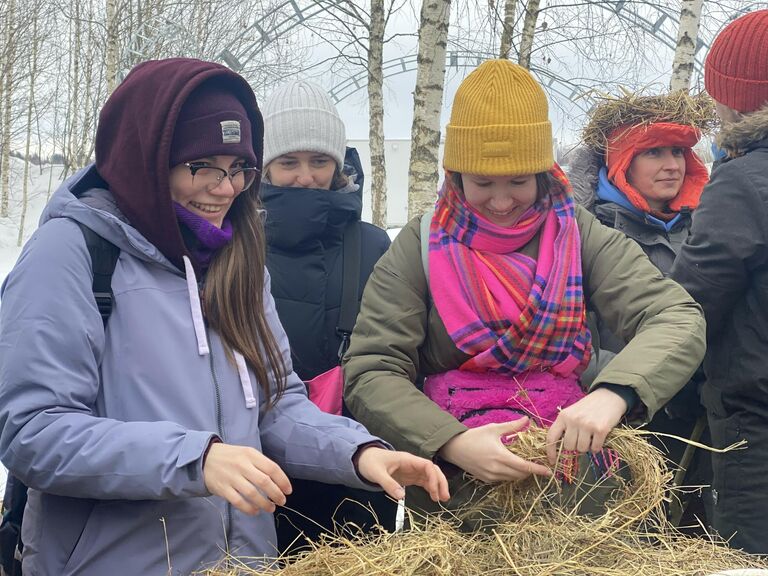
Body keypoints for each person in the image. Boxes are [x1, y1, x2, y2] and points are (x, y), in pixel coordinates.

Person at [0, 58, 449, 576]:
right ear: (146, 160)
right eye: (203, 166)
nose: (227, 188)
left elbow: (276, 405)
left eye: (238, 167)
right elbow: (34, 432)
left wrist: (357, 453)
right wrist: (197, 459)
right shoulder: (72, 253)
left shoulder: (237, 260)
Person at [343, 59, 706, 525]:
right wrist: (451, 442)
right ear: (455, 176)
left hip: (578, 486)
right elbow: (372, 369)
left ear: (543, 172)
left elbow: (676, 316)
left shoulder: (578, 234)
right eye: (481, 182)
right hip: (457, 492)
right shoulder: (419, 246)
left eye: (518, 181)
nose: (500, 202)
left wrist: (613, 393)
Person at [258, 80, 395, 551]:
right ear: (264, 165)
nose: (305, 177)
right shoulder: (234, 246)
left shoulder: (373, 245)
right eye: (288, 162)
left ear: (339, 165)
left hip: (354, 470)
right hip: (256, 470)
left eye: (319, 162)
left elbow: (395, 354)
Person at [569, 93, 712, 529]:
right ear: (621, 161)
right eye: (653, 151)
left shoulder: (708, 228)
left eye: (677, 151)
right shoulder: (585, 233)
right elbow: (570, 336)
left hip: (701, 425)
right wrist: (625, 389)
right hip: (615, 424)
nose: (672, 165)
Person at [671, 9, 768, 554]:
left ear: (740, 99)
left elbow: (689, 306)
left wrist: (621, 391)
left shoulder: (743, 183)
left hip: (756, 434)